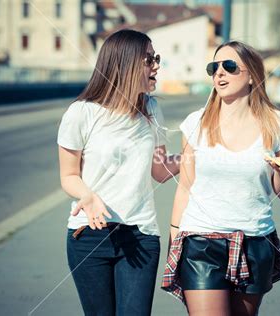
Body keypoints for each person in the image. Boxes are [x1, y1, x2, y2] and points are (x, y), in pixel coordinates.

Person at [161, 41, 280, 316]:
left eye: (230, 66)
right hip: (201, 242)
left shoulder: (276, 122)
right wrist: (175, 240)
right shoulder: (196, 122)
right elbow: (185, 187)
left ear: (251, 76)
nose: (219, 73)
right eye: (214, 67)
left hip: (255, 241)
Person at [57, 29, 179, 316]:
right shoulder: (81, 113)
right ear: (125, 63)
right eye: (150, 59)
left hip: (141, 236)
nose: (157, 66)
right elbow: (68, 176)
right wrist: (88, 196)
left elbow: (160, 170)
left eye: (156, 58)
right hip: (88, 237)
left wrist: (197, 155)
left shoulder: (152, 109)